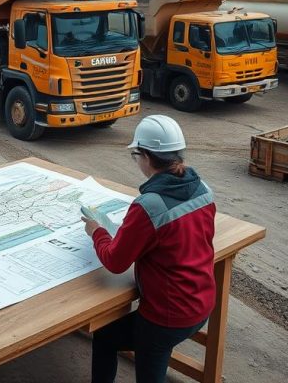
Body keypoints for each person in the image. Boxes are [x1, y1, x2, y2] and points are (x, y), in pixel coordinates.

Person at [82, 115, 216, 383]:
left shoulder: (149, 205)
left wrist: (96, 231)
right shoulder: (203, 189)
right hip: (202, 304)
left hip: (166, 318)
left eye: (135, 155)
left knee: (132, 353)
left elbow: (115, 261)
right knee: (108, 336)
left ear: (145, 156)